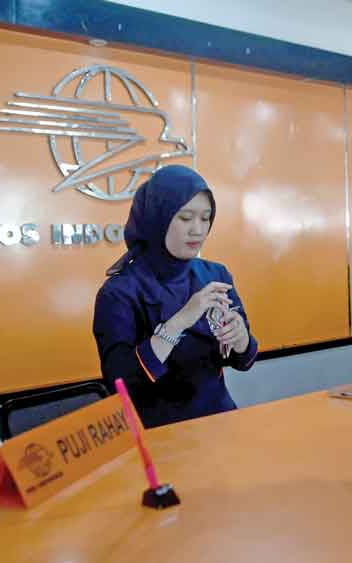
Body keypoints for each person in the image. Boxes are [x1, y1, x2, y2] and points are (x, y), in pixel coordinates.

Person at [93, 165, 257, 428]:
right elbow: (119, 382)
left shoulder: (215, 274)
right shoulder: (119, 292)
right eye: (185, 218)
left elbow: (244, 360)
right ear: (157, 218)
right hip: (157, 433)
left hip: (220, 423)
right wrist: (180, 321)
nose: (198, 230)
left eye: (205, 218)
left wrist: (240, 338)